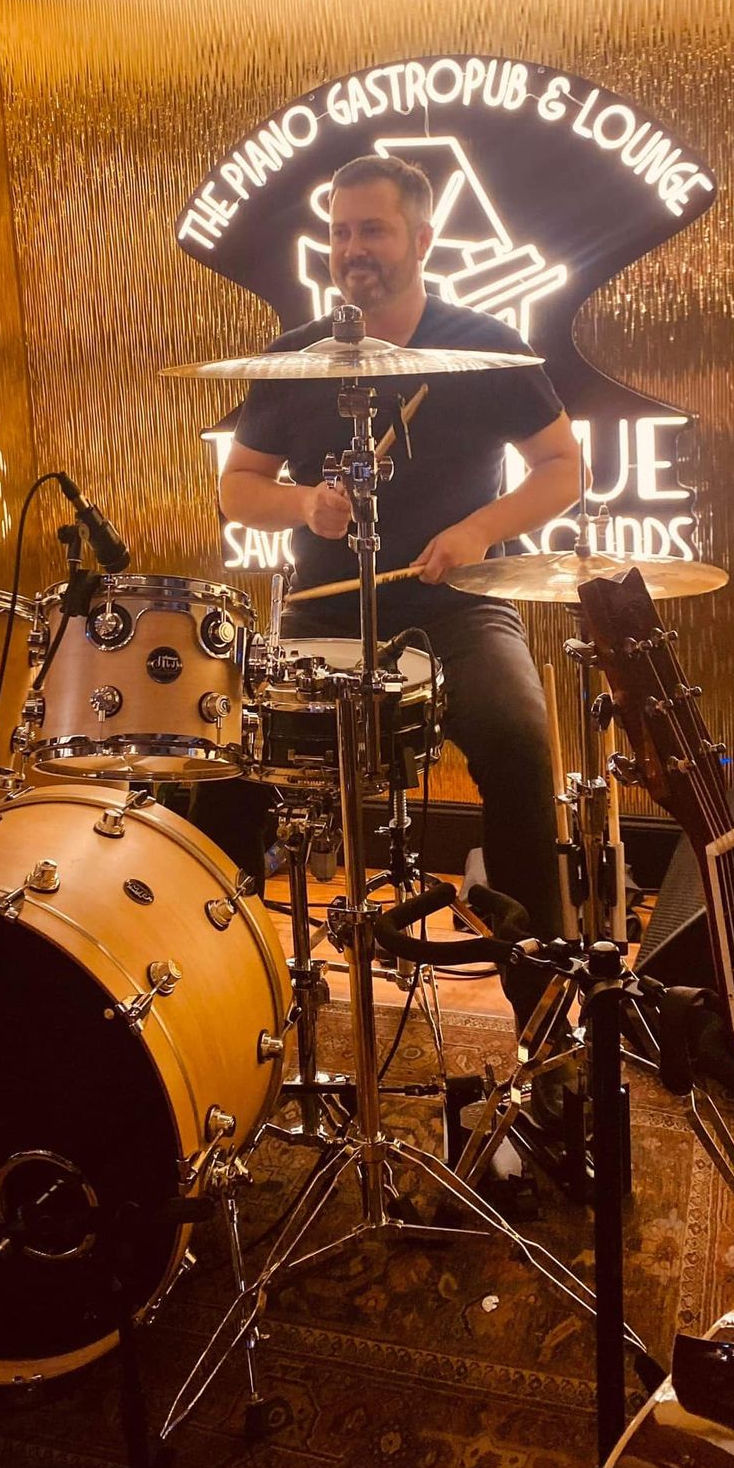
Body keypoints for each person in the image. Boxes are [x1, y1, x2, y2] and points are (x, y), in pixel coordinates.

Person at [192, 153, 586, 1020]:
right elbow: (238, 488)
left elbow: (565, 466)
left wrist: (478, 530)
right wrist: (303, 504)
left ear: (422, 239)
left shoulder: (483, 347)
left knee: (519, 741)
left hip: (459, 609)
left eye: (372, 230)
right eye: (339, 233)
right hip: (323, 614)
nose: (351, 249)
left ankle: (543, 1012)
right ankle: (220, 995)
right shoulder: (297, 359)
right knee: (221, 756)